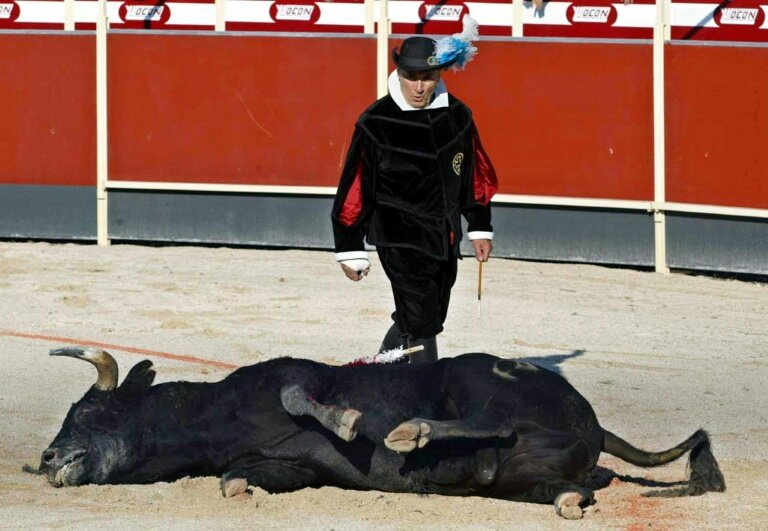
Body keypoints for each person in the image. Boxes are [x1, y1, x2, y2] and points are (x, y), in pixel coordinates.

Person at [331, 17, 498, 363]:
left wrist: (479, 225)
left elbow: (473, 174)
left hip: (444, 236)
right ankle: (428, 391)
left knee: (426, 314)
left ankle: (378, 373)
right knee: (422, 319)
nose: (419, 87)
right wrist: (350, 246)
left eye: (427, 77)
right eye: (411, 77)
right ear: (399, 73)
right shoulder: (377, 121)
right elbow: (355, 187)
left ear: (439, 75)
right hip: (399, 237)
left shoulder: (458, 115)